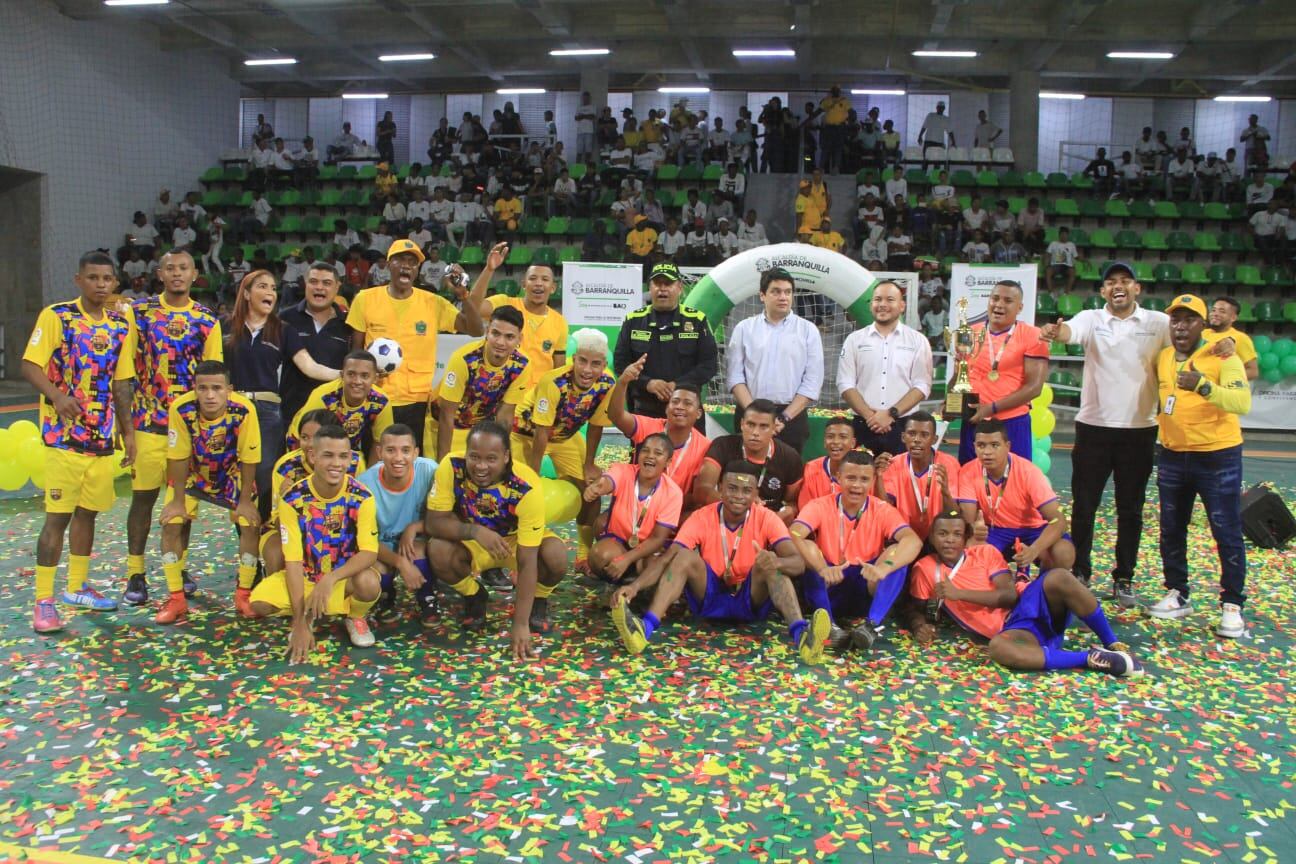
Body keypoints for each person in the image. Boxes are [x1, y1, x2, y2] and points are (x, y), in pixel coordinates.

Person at [607, 460, 830, 664]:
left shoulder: (767, 517)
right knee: (682, 556)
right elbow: (667, 558)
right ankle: (643, 629)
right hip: (709, 597)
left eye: (746, 490)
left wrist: (777, 562)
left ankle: (803, 636)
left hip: (750, 598)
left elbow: (797, 563)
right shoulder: (701, 516)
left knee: (770, 565)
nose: (738, 496)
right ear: (720, 489)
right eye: (732, 488)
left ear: (755, 494)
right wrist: (634, 586)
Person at [24, 252, 136, 631]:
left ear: (114, 283)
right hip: (63, 439)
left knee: (88, 513)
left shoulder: (121, 325)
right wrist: (56, 397)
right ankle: (43, 599)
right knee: (57, 518)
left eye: (107, 279)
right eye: (93, 278)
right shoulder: (57, 316)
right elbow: (30, 364)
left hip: (102, 438)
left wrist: (128, 431)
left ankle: (76, 586)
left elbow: (122, 383)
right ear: (78, 280)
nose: (101, 285)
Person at [908, 510, 1143, 677]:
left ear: (965, 538)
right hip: (1016, 634)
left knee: (1059, 576)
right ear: (931, 537)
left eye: (957, 534)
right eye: (942, 534)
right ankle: (1091, 658)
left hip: (1023, 610)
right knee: (999, 648)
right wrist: (920, 625)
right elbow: (917, 608)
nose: (949, 540)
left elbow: (1009, 596)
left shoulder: (985, 552)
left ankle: (1112, 643)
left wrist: (959, 594)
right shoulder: (925, 568)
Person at [121, 250, 223, 606]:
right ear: (159, 274)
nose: (177, 274)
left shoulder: (207, 319)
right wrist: (127, 429)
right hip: (148, 424)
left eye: (184, 268)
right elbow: (125, 372)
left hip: (189, 430)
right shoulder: (140, 313)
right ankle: (136, 572)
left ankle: (177, 567)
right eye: (170, 268)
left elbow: (214, 377)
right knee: (143, 501)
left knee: (183, 506)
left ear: (195, 274)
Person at [1148, 294, 1250, 638]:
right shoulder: (1163, 357)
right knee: (1171, 529)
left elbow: (1241, 402)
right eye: (1176, 319)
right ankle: (1178, 593)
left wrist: (1205, 386)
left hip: (1218, 456)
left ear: (1203, 325)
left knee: (1226, 531)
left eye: (1190, 319)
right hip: (1174, 455)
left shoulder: (1224, 354)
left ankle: (1232, 604)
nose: (1181, 326)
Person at [425, 421, 569, 658]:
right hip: (475, 541)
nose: (480, 466)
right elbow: (434, 522)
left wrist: (520, 624)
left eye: (491, 459)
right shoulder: (451, 465)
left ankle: (537, 601)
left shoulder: (526, 485)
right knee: (438, 549)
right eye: (474, 457)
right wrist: (475, 532)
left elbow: (527, 560)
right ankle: (474, 595)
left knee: (555, 555)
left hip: (515, 542)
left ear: (506, 457)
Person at [249, 424, 381, 658]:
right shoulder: (292, 499)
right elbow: (293, 561)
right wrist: (298, 622)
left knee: (369, 582)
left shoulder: (363, 497)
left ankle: (355, 616)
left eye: (343, 456)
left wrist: (331, 579)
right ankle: (306, 616)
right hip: (307, 575)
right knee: (259, 603)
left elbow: (370, 552)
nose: (336, 464)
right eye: (328, 455)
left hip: (341, 579)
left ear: (351, 458)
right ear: (313, 456)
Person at [348, 238, 486, 453]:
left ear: (417, 270)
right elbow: (355, 352)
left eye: (412, 262)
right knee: (374, 458)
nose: (406, 266)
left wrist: (463, 295)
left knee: (407, 462)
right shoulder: (365, 299)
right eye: (400, 260)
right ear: (388, 264)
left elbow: (477, 330)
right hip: (375, 397)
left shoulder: (433, 302)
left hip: (416, 401)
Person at [156, 361, 261, 625]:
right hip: (193, 473)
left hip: (231, 473)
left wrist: (245, 501)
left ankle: (243, 595)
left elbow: (249, 457)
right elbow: (177, 456)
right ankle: (177, 599)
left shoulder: (244, 409)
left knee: (250, 524)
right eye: (203, 388)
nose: (210, 395)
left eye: (217, 388)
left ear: (229, 389)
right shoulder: (181, 409)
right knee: (171, 524)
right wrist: (178, 501)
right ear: (194, 389)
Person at [788, 451, 923, 652]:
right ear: (838, 477)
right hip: (829, 581)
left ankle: (871, 625)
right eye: (851, 478)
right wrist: (822, 567)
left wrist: (884, 569)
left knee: (896, 552)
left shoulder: (882, 509)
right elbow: (794, 534)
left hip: (865, 581)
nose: (857, 485)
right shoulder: (819, 505)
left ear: (873, 480)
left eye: (864, 479)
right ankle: (829, 625)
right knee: (807, 547)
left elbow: (913, 541)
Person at [512, 328, 616, 565]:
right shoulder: (553, 381)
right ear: (574, 359)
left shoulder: (608, 383)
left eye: (595, 363)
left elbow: (597, 425)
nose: (587, 370)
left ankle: (583, 554)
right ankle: (516, 555)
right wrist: (533, 475)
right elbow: (540, 433)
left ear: (604, 364)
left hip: (564, 436)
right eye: (582, 361)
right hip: (524, 436)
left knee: (591, 488)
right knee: (520, 491)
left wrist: (589, 464)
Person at [725, 268, 824, 455]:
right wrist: (755, 416)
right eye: (776, 291)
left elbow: (812, 381)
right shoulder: (744, 328)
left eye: (788, 292)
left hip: (791, 417)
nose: (783, 297)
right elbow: (735, 377)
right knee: (745, 475)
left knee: (788, 478)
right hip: (750, 412)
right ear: (762, 295)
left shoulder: (808, 330)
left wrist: (784, 418)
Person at [957, 419, 1075, 574]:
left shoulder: (1029, 472)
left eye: (994, 445)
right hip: (995, 530)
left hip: (1034, 530)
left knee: (1063, 553)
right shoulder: (968, 471)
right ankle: (997, 584)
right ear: (974, 447)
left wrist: (1034, 550)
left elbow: (1058, 521)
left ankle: (1042, 587)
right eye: (981, 445)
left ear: (1007, 446)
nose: (987, 452)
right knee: (970, 549)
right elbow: (968, 519)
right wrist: (974, 529)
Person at [260, 408, 362, 578]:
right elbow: (279, 524)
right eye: (304, 437)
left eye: (314, 438)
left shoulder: (353, 463)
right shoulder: (286, 467)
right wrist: (288, 502)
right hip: (291, 529)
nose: (308, 444)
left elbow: (357, 515)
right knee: (277, 554)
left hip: (339, 530)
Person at [224, 270, 291, 523]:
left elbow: (307, 364)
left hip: (267, 412)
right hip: (233, 408)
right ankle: (247, 549)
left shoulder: (282, 330)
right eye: (263, 287)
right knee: (238, 477)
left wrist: (344, 373)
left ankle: (262, 537)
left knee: (264, 476)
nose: (270, 293)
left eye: (273, 288)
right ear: (247, 293)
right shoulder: (224, 326)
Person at [838, 280, 933, 456]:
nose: (882, 305)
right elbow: (845, 383)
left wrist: (891, 414)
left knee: (900, 480)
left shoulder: (918, 340)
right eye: (877, 299)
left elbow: (922, 385)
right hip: (862, 424)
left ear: (902, 305)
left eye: (890, 299)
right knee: (859, 480)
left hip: (904, 426)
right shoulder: (854, 340)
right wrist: (870, 416)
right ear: (871, 304)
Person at [357, 424, 439, 626]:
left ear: (416, 453)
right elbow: (364, 542)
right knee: (374, 567)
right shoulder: (363, 485)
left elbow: (445, 518)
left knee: (419, 550)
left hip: (416, 542)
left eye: (406, 450)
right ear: (379, 452)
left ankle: (427, 598)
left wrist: (415, 528)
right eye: (390, 450)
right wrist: (400, 563)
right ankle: (385, 598)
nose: (398, 458)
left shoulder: (430, 471)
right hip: (381, 546)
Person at [957, 280, 1047, 464]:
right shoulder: (969, 333)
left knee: (1014, 481)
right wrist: (950, 403)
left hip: (1011, 422)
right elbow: (960, 380)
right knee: (970, 479)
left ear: (1020, 307)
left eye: (1007, 300)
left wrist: (991, 408)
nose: (999, 304)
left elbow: (1034, 387)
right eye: (995, 298)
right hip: (974, 421)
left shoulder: (1033, 335)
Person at [612, 262, 717, 419]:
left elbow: (709, 365)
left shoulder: (697, 320)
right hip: (644, 410)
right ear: (650, 287)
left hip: (686, 410)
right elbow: (621, 364)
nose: (662, 288)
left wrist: (677, 386)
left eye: (668, 283)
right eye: (657, 283)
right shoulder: (633, 320)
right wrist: (648, 383)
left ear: (680, 287)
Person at [608, 355, 710, 509]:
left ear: (698, 413)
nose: (680, 407)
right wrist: (623, 382)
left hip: (677, 509)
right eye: (675, 401)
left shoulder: (705, 447)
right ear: (666, 408)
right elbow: (616, 416)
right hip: (638, 504)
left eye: (687, 403)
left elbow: (698, 495)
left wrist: (668, 504)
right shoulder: (648, 426)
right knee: (602, 523)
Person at [583, 434, 684, 585]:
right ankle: (619, 578)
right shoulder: (624, 471)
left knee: (656, 568)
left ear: (668, 462)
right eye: (645, 451)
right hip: (620, 542)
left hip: (649, 549)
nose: (650, 456)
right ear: (638, 454)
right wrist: (597, 487)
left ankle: (635, 582)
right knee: (599, 555)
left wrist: (627, 559)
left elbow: (658, 539)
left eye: (658, 453)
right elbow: (608, 480)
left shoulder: (673, 493)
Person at [436, 306, 529, 459]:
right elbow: (446, 414)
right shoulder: (464, 359)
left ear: (520, 339)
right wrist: (443, 462)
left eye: (509, 337)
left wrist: (500, 457)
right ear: (487, 332)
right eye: (495, 333)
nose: (500, 342)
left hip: (481, 432)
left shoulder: (522, 365)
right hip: (445, 427)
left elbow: (505, 417)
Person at [694, 399, 803, 523]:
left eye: (764, 427)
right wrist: (739, 502)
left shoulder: (789, 456)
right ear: (741, 424)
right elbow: (701, 490)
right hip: (728, 517)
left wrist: (789, 511)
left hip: (769, 521)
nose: (755, 432)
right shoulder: (723, 445)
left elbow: (795, 502)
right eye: (750, 425)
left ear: (774, 428)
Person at [288, 351, 393, 467]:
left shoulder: (382, 402)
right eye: (351, 374)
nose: (357, 381)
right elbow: (302, 438)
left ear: (375, 378)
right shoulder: (323, 396)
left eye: (365, 376)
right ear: (342, 375)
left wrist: (369, 479)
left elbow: (380, 443)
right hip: (306, 445)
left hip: (342, 447)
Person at [481, 251, 568, 389]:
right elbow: (474, 308)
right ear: (523, 284)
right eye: (533, 278)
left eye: (545, 279)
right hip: (501, 390)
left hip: (537, 398)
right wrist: (489, 270)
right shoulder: (504, 303)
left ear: (553, 288)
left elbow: (559, 371)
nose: (538, 283)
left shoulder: (560, 322)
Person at [279, 263, 350, 425]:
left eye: (326, 283)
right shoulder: (285, 318)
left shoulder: (348, 324)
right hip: (291, 413)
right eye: (313, 281)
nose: (319, 287)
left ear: (337, 287)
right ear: (305, 283)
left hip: (334, 416)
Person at [873, 411, 960, 542]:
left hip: (939, 536)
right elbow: (885, 508)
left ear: (934, 439)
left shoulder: (949, 464)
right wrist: (879, 476)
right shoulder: (893, 464)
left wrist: (946, 493)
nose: (917, 440)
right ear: (903, 437)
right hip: (903, 535)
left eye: (924, 435)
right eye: (912, 434)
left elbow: (955, 514)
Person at [797, 416, 857, 509]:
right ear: (824, 442)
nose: (836, 441)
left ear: (853, 443)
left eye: (843, 437)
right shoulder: (811, 468)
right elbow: (806, 510)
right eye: (830, 436)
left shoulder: (863, 470)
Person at [1206, 297, 1259, 380]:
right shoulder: (1201, 333)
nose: (1215, 314)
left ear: (1233, 318)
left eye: (1222, 311)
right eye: (1213, 310)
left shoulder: (1241, 338)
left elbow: (1253, 371)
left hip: (1220, 391)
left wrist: (1225, 380)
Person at [918, 100, 954, 169]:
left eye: (942, 107)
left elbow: (950, 131)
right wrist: (920, 136)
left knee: (937, 162)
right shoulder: (930, 115)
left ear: (944, 108)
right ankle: (923, 177)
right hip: (928, 141)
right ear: (936, 107)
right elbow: (924, 126)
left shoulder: (946, 119)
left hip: (939, 143)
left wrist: (953, 142)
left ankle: (936, 177)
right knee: (925, 161)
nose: (940, 108)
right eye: (939, 107)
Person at [1045, 226, 1079, 293]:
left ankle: (1067, 292)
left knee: (1072, 271)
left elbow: (1076, 256)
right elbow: (1047, 254)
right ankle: (1050, 292)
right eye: (1062, 234)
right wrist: (1046, 263)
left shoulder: (1071, 245)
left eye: (1065, 234)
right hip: (1055, 265)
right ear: (1059, 235)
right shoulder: (1053, 243)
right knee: (1048, 271)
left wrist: (1085, 260)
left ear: (1068, 235)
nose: (1063, 236)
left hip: (1067, 266)